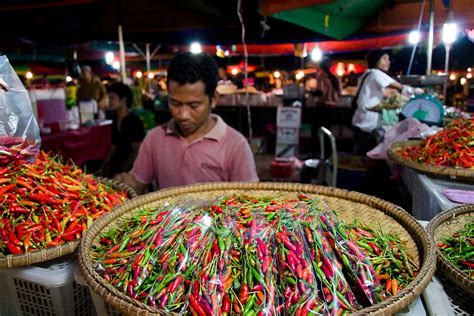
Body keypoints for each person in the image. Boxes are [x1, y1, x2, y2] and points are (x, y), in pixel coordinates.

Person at [115, 52, 258, 193]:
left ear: (213, 99)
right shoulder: (154, 139)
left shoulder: (235, 145)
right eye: (175, 103)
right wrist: (127, 183)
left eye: (193, 105)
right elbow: (138, 184)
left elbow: (247, 203)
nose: (183, 115)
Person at [351, 49, 403, 156]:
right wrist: (414, 89)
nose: (388, 62)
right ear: (376, 61)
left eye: (388, 59)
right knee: (365, 153)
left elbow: (374, 93)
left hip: (360, 119)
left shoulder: (367, 73)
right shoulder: (376, 73)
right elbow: (399, 86)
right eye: (384, 59)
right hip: (366, 122)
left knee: (361, 150)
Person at [102, 82, 145, 178]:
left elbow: (137, 150)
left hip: (132, 170)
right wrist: (103, 166)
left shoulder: (134, 121)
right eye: (109, 98)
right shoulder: (114, 119)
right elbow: (113, 147)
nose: (109, 101)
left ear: (123, 100)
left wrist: (122, 171)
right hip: (116, 167)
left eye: (113, 98)